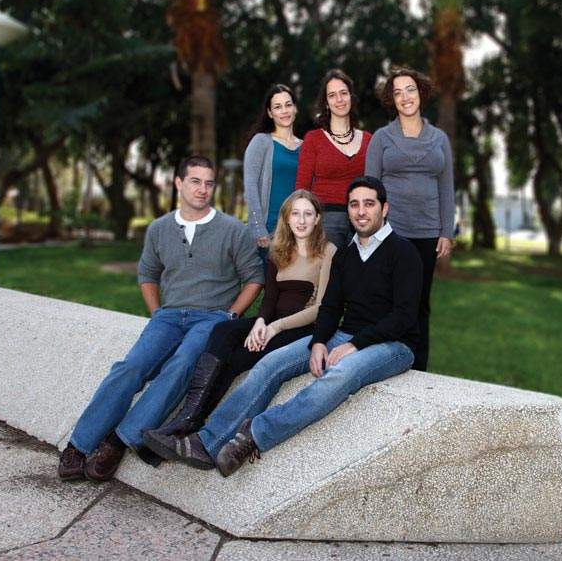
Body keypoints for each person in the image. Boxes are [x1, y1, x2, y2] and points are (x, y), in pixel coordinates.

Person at [146, 176, 421, 478]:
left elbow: (404, 316)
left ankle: (256, 434)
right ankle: (207, 442)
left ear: (385, 208)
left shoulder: (403, 252)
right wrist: (319, 342)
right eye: (354, 204)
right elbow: (330, 306)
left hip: (394, 345)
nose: (361, 211)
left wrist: (354, 345)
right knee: (269, 364)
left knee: (340, 374)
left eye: (369, 204)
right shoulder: (347, 254)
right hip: (344, 334)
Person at [57, 156, 264, 482]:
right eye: (195, 181)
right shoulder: (159, 229)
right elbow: (148, 274)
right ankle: (79, 445)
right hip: (168, 317)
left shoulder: (233, 231)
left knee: (182, 364)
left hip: (211, 318)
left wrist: (231, 315)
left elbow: (254, 278)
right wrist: (157, 313)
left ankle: (119, 440)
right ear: (178, 183)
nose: (203, 189)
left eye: (209, 183)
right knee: (131, 366)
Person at [141, 190, 335, 449]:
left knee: (235, 360)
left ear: (317, 218)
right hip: (271, 322)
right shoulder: (278, 251)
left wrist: (274, 327)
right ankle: (186, 419)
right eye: (295, 214)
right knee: (223, 331)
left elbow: (321, 308)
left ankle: (190, 423)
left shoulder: (328, 251)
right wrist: (259, 323)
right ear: (287, 219)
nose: (301, 220)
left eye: (308, 214)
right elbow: (269, 300)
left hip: (300, 328)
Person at [364, 66, 455, 371]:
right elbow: (370, 188)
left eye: (410, 90)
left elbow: (447, 188)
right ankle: (382, 364)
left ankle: (418, 368)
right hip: (391, 234)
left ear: (421, 93)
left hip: (428, 234)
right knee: (389, 304)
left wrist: (446, 232)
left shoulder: (439, 138)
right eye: (398, 92)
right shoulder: (382, 138)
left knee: (419, 304)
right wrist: (368, 231)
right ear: (392, 99)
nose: (405, 97)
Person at [295, 69, 372, 250]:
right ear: (326, 103)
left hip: (362, 221)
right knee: (326, 277)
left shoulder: (370, 140)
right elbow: (301, 188)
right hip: (325, 222)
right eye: (332, 95)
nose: (339, 99)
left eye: (343, 93)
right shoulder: (313, 139)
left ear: (351, 98)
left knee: (359, 278)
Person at [243, 84, 303, 265]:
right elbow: (250, 186)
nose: (284, 111)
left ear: (295, 108)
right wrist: (258, 228)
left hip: (299, 230)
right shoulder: (261, 142)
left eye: (288, 105)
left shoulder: (306, 146)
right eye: (278, 107)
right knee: (273, 288)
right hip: (269, 231)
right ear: (270, 113)